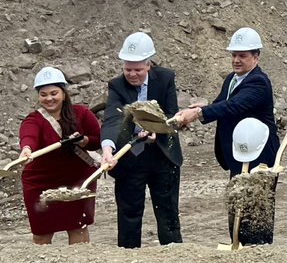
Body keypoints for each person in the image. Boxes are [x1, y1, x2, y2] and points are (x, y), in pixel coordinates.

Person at [174, 27, 280, 244]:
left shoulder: (258, 82)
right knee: (238, 207)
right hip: (239, 153)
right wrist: (203, 106)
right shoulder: (232, 79)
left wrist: (198, 113)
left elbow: (234, 106)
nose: (236, 60)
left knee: (256, 212)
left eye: (242, 56)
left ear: (256, 57)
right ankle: (239, 248)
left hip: (259, 156)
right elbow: (222, 103)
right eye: (234, 55)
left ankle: (259, 253)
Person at [99, 32, 184, 248]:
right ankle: (128, 258)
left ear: (149, 65)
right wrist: (107, 148)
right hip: (130, 157)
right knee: (129, 212)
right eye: (128, 69)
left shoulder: (165, 78)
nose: (132, 74)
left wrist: (159, 129)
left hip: (162, 155)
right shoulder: (117, 86)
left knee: (167, 212)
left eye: (138, 69)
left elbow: (172, 113)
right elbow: (112, 119)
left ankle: (173, 254)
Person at [18, 66, 102, 245]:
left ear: (64, 93)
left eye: (54, 93)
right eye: (43, 94)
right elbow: (29, 136)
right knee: (42, 232)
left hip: (77, 180)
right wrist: (26, 148)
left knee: (78, 226)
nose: (49, 98)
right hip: (41, 181)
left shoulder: (81, 114)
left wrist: (83, 141)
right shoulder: (34, 119)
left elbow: (98, 139)